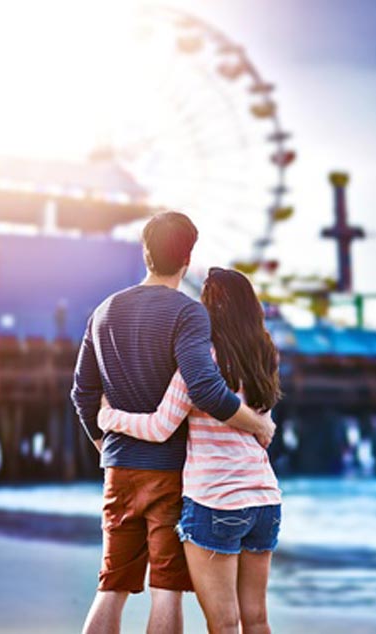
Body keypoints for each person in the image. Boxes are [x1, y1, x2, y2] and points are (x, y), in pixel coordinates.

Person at [71, 213, 275, 634]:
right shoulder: (189, 314)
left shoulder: (103, 311)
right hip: (170, 473)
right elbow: (207, 390)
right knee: (166, 590)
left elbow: (82, 395)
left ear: (145, 252)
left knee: (110, 587)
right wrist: (256, 424)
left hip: (119, 468)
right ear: (187, 258)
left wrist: (106, 447)